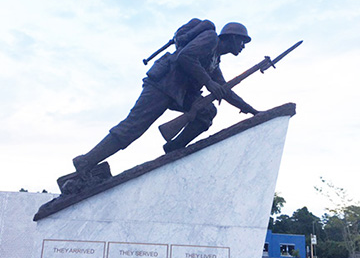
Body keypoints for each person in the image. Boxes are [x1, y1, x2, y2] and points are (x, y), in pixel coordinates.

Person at [73, 20, 259, 178]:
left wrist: (251, 110)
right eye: (243, 42)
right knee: (133, 127)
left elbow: (225, 90)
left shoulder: (214, 59)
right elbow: (186, 57)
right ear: (233, 37)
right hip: (161, 85)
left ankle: (174, 149)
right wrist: (209, 83)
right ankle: (86, 162)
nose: (243, 47)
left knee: (207, 111)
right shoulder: (210, 39)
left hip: (178, 93)